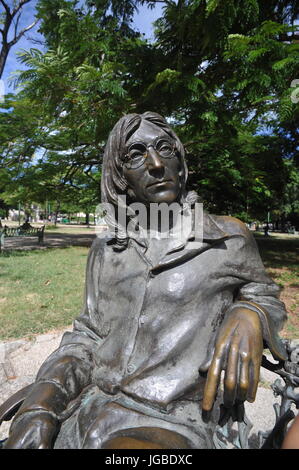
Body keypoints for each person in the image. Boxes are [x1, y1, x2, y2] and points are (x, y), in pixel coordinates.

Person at [3, 112, 288, 449]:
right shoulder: (107, 248)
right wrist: (42, 403)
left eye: (165, 149)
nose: (155, 163)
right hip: (90, 407)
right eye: (136, 154)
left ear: (180, 162)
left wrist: (251, 313)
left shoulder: (227, 237)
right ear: (120, 175)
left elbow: (265, 294)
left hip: (171, 421)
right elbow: (87, 335)